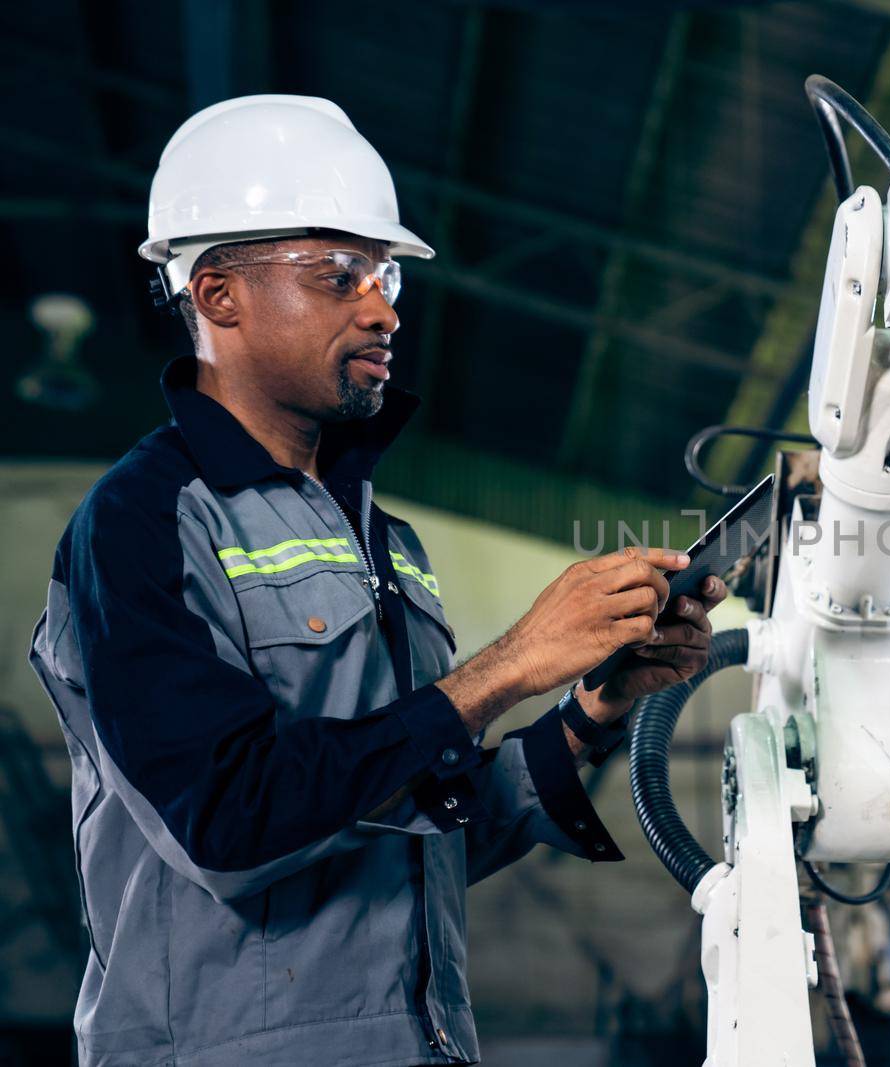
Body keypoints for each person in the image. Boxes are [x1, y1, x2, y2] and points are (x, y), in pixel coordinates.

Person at [28, 95, 724, 1067]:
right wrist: (510, 662)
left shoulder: (382, 538)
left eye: (386, 272)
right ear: (218, 294)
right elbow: (227, 820)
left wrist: (592, 706)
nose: (384, 307)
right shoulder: (141, 522)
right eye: (339, 274)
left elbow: (420, 831)